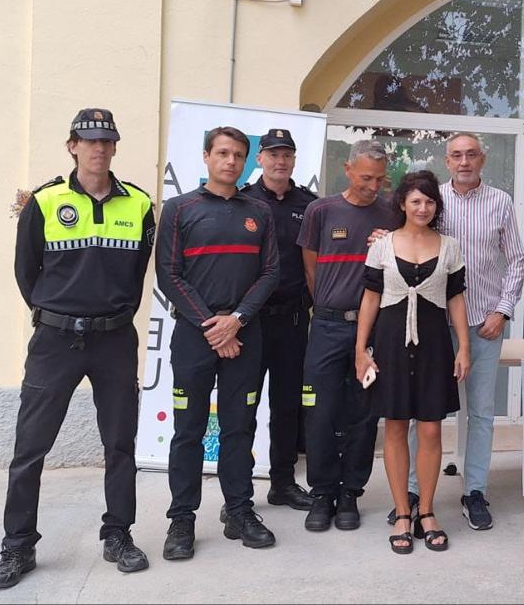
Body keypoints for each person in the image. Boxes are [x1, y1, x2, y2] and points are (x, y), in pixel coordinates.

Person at [0, 108, 155, 590]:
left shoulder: (140, 206)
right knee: (30, 448)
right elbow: (26, 273)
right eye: (88, 140)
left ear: (115, 148)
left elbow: (137, 272)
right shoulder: (44, 202)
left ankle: (118, 534)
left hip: (115, 340)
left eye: (107, 141)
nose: (98, 149)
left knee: (120, 443)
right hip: (55, 340)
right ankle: (18, 546)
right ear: (72, 146)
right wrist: (55, 313)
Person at [388, 132, 524, 530]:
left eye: (471, 155)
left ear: (482, 159)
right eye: (456, 156)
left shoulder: (500, 202)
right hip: (429, 326)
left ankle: (475, 490)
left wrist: (501, 311)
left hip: (483, 323)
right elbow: (403, 235)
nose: (464, 162)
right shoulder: (433, 200)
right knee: (419, 412)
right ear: (447, 161)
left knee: (479, 412)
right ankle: (412, 492)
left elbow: (517, 260)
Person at [156, 126, 280, 560]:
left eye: (239, 155)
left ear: (247, 161)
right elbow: (168, 275)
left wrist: (237, 320)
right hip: (195, 336)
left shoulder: (259, 212)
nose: (231, 161)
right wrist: (214, 325)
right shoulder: (178, 209)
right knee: (188, 431)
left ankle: (239, 510)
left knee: (238, 427)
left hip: (246, 335)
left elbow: (270, 273)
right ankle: (182, 520)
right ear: (207, 156)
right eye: (223, 153)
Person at [356, 170, 470, 554]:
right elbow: (370, 299)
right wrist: (361, 350)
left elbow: (456, 299)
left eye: (430, 201)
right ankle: (403, 513)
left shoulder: (450, 246)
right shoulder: (383, 246)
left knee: (432, 431)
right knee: (394, 426)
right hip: (389, 342)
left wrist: (464, 347)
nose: (423, 207)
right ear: (402, 203)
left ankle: (427, 511)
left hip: (435, 344)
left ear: (437, 206)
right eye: (416, 200)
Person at [296, 139, 396, 533]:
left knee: (362, 412)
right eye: (366, 177)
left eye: (380, 178)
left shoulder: (391, 213)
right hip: (326, 326)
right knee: (318, 412)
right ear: (348, 169)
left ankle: (351, 492)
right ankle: (322, 493)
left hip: (373, 328)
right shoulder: (320, 211)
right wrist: (328, 306)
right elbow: (310, 271)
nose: (373, 185)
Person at [239, 129, 316, 512]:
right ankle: (239, 494)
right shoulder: (243, 201)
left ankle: (283, 483)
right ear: (260, 159)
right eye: (272, 154)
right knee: (243, 409)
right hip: (250, 323)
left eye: (287, 154)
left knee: (288, 407)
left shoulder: (310, 204)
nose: (280, 161)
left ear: (294, 160)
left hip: (293, 320)